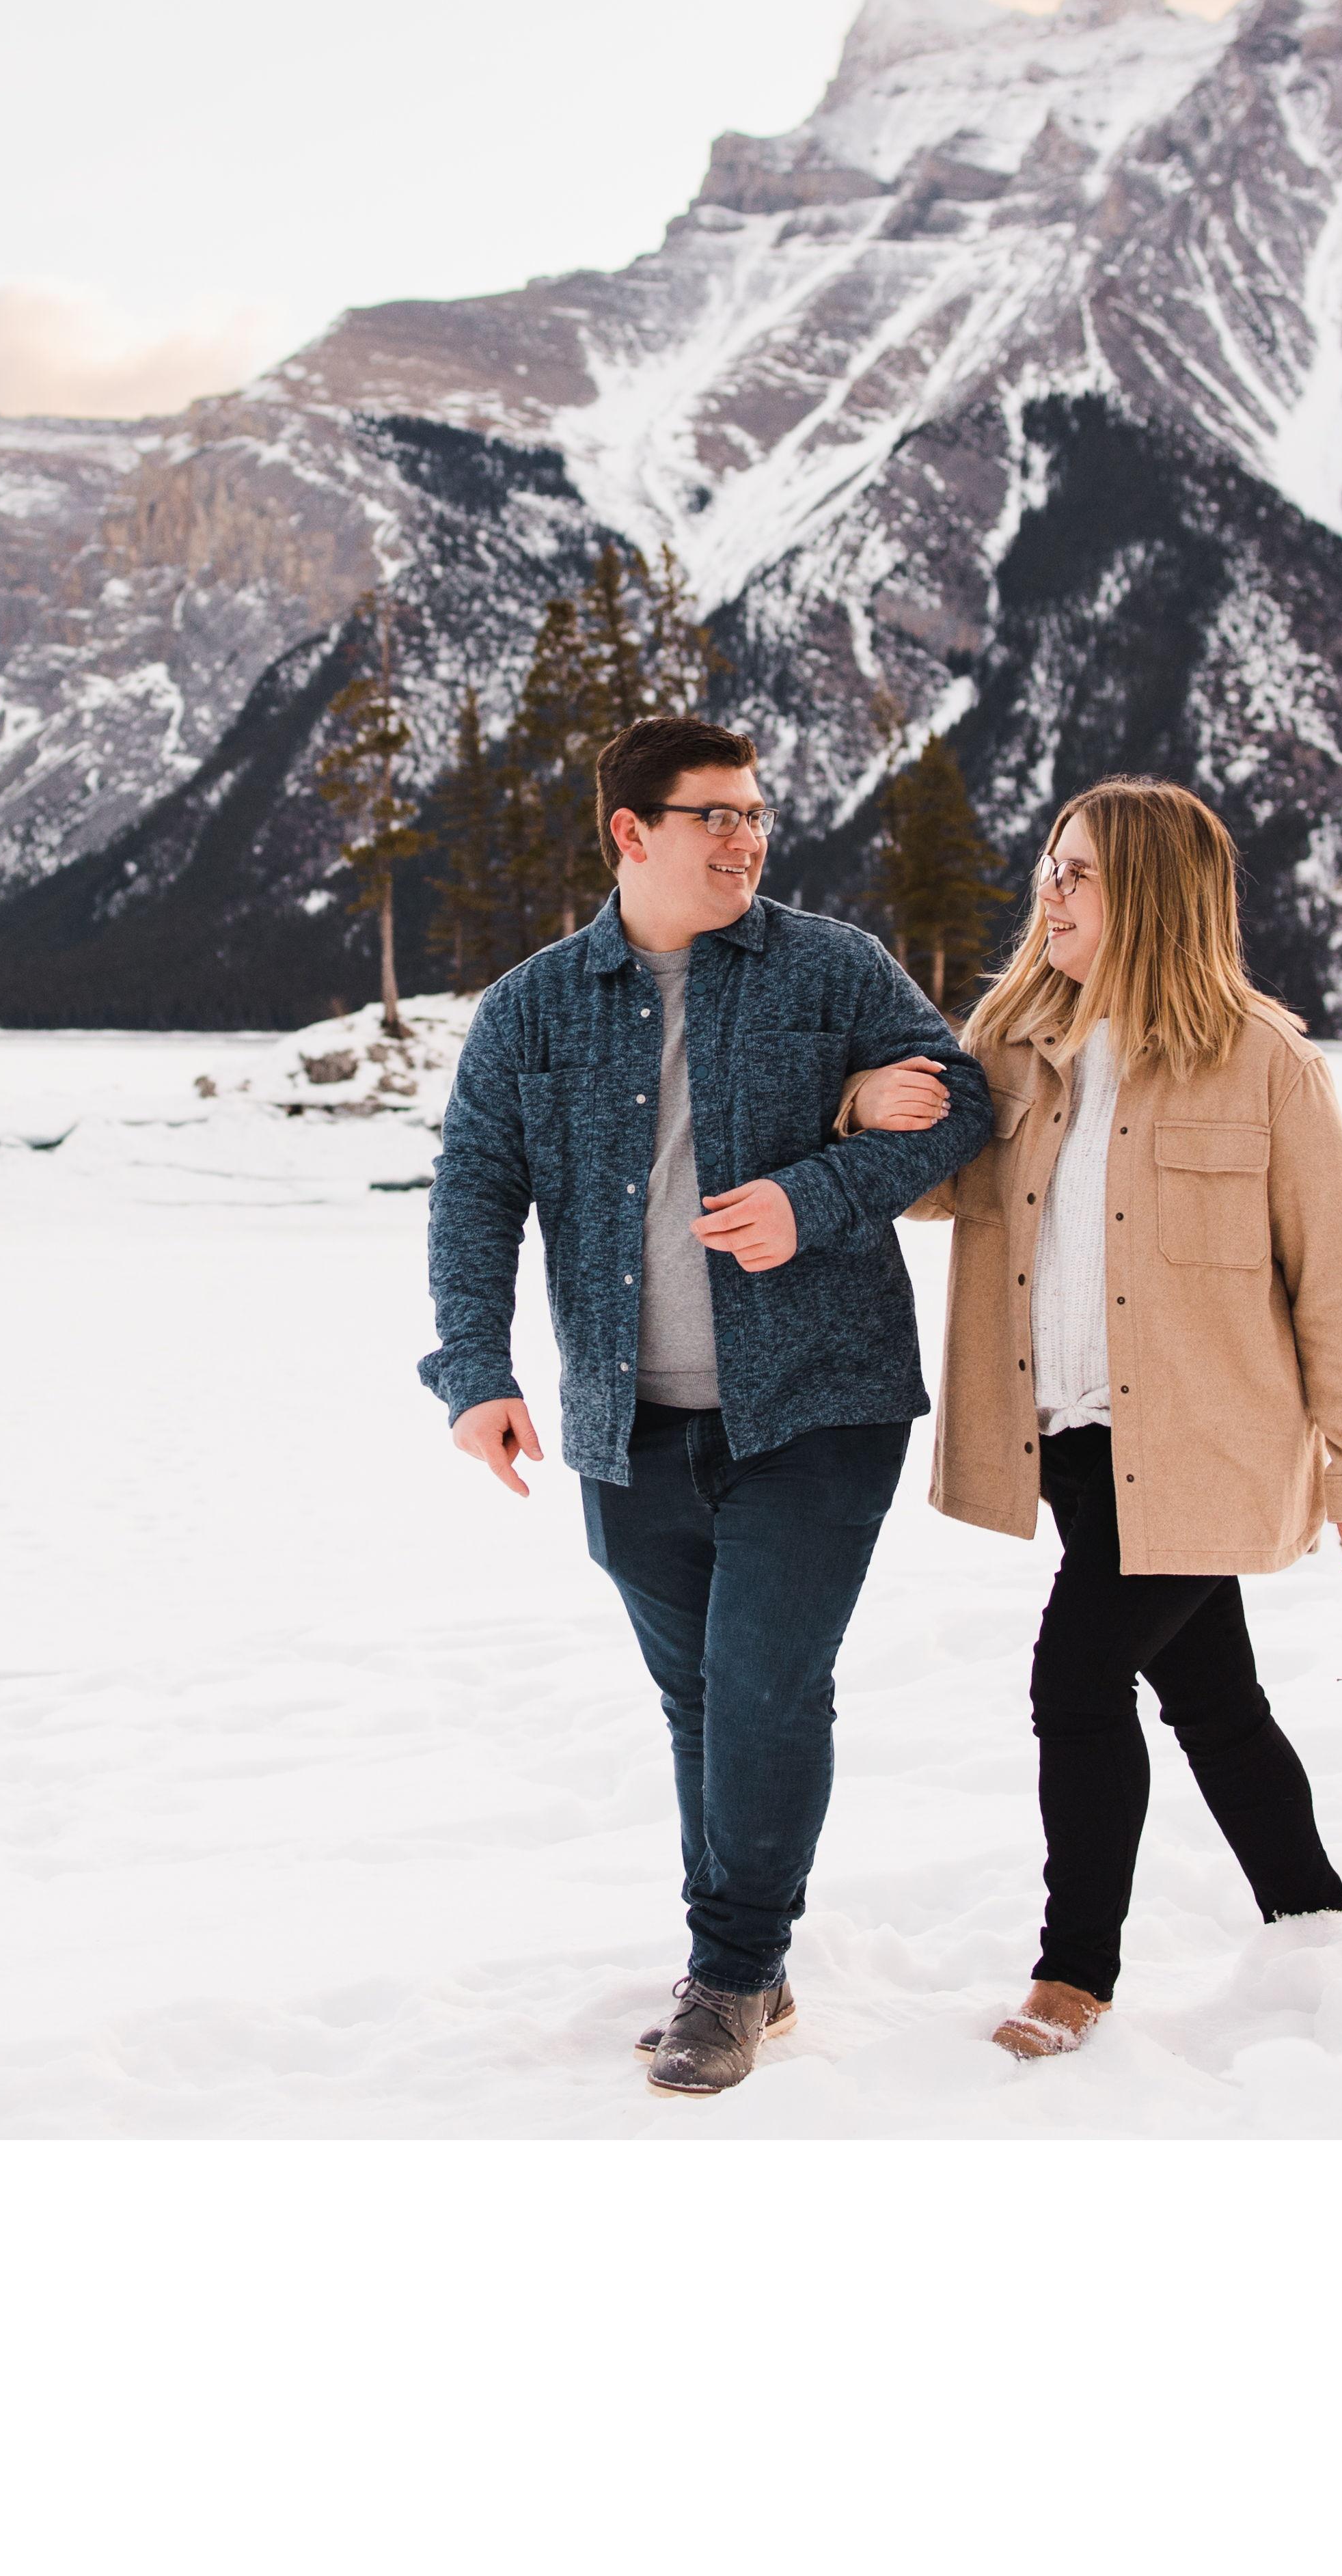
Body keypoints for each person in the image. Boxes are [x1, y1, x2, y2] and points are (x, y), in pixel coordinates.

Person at [422, 713, 994, 2096]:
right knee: (698, 1703)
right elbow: (476, 1191)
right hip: (628, 1423)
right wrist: (475, 1370)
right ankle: (749, 1952)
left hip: (819, 1405)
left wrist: (817, 1195)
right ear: (632, 832)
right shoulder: (533, 1006)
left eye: (755, 814)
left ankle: (730, 1973)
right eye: (715, 816)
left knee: (762, 1686)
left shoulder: (831, 966)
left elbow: (964, 1103)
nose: (746, 839)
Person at [839, 775, 1342, 2061]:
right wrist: (868, 1108)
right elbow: (928, 1189)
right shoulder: (1012, 1040)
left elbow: (1337, 1281)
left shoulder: (1267, 1065)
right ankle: (1314, 1921)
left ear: (1149, 894)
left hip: (1212, 1447)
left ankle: (1073, 1974)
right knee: (1215, 1699)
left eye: (1079, 873)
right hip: (1071, 1445)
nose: (1049, 891)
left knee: (1078, 1678)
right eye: (1051, 865)